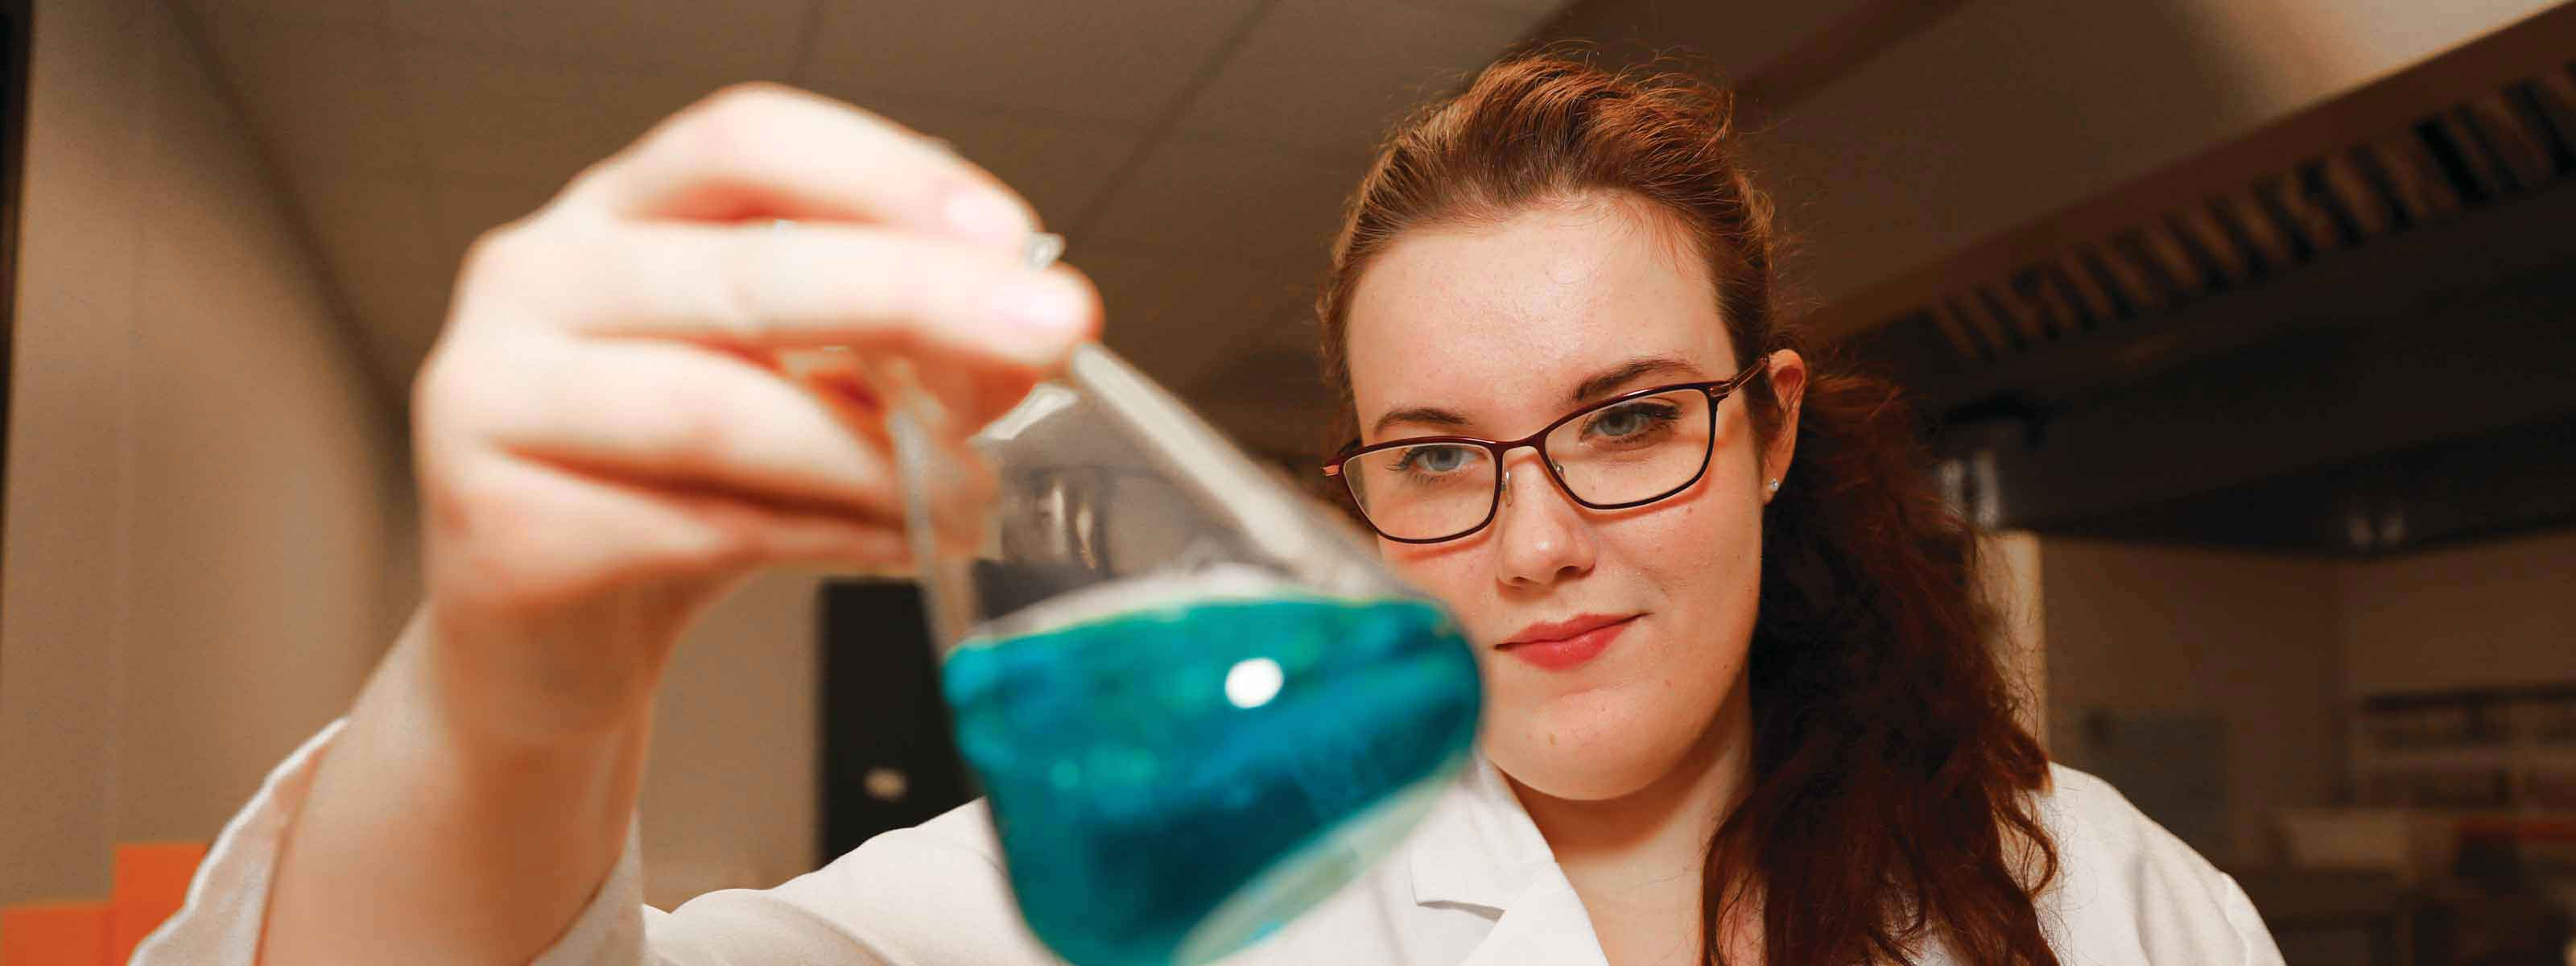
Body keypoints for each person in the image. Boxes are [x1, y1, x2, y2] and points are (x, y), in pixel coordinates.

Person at [141, 54, 2283, 965]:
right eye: (1437, 456)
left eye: (1627, 420)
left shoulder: (2107, 906)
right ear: (1349, 492)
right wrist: (506, 700)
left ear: (1774, 422)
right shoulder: (1199, 860)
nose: (1534, 541)